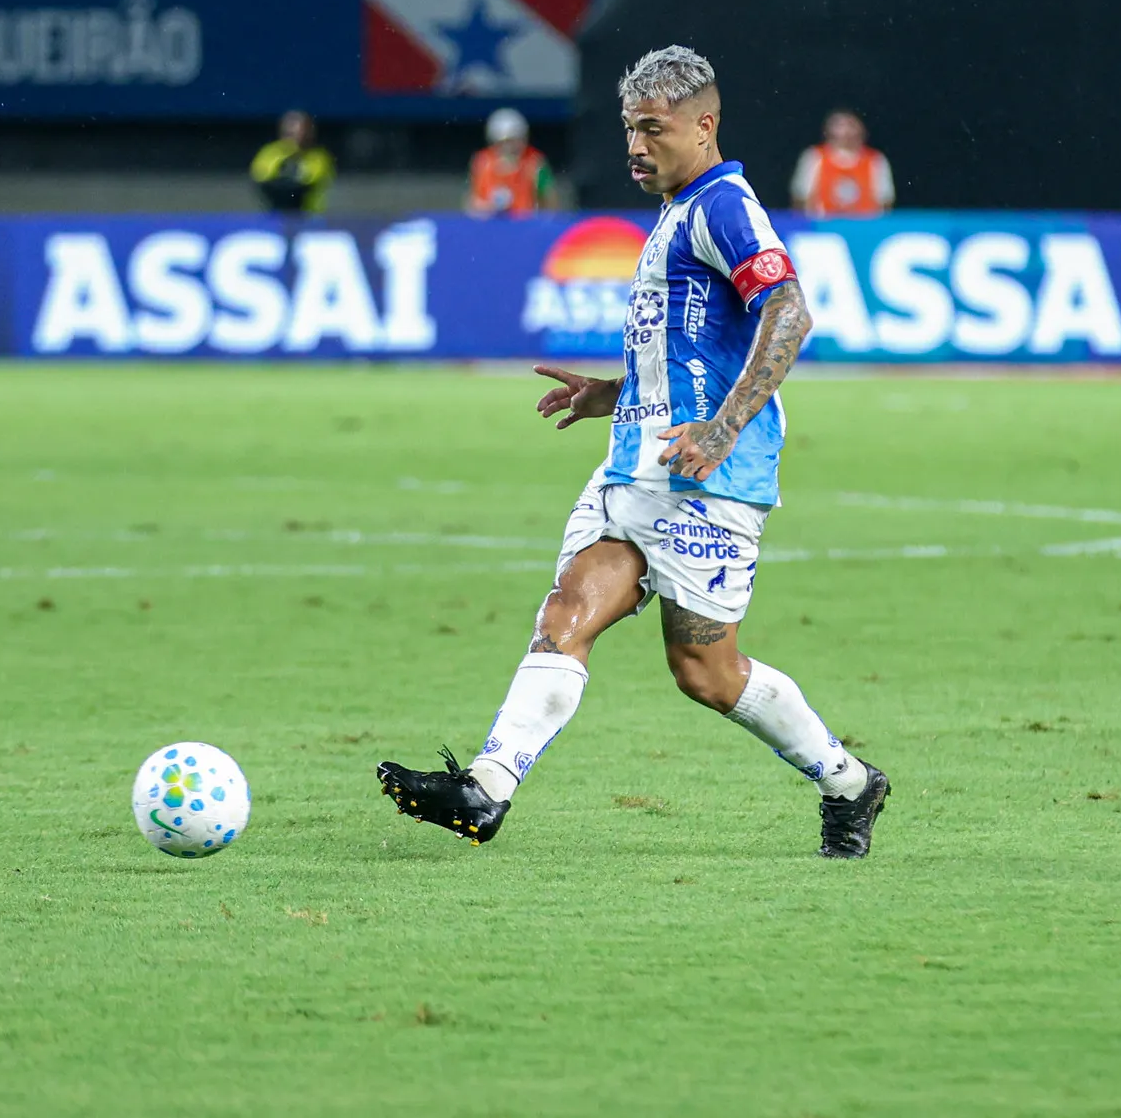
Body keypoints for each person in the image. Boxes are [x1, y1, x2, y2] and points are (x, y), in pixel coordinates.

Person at [378, 45, 888, 858]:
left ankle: (849, 782)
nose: (635, 146)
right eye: (628, 128)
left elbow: (788, 314)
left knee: (706, 673)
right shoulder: (677, 209)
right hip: (635, 461)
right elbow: (689, 351)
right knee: (566, 612)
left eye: (653, 129)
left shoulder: (726, 204)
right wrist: (611, 393)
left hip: (707, 478)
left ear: (704, 125)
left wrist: (721, 430)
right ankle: (487, 788)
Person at [791, 108, 894, 218]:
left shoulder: (875, 160)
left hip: (865, 228)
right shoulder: (814, 157)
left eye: (850, 125)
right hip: (823, 228)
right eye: (838, 125)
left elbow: (885, 202)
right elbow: (800, 199)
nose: (845, 132)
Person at [466, 107, 555, 217]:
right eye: (503, 142)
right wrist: (489, 208)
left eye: (512, 141)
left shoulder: (535, 163)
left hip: (525, 226)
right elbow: (473, 203)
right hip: (490, 226)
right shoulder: (482, 162)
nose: (508, 148)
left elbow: (550, 203)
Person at [250, 110, 335, 213]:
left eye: (300, 131)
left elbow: (308, 181)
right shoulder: (269, 152)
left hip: (311, 216)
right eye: (289, 133)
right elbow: (261, 177)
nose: (293, 137)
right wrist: (288, 155)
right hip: (275, 216)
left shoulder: (319, 156)